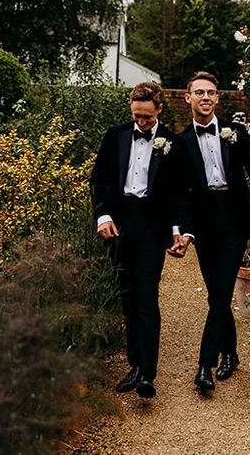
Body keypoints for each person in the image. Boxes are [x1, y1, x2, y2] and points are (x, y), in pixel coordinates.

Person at [171, 71, 250, 392]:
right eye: (199, 92)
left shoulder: (237, 133)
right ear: (188, 98)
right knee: (217, 296)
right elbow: (180, 195)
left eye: (211, 92)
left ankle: (204, 366)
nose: (205, 98)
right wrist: (180, 230)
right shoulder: (181, 143)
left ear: (217, 98)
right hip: (204, 225)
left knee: (219, 294)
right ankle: (231, 354)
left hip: (235, 220)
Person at [90, 81, 190, 399]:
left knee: (146, 297)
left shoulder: (173, 143)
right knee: (127, 297)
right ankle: (134, 365)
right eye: (137, 116)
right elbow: (99, 181)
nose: (141, 123)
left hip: (151, 226)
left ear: (159, 109)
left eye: (147, 117)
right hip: (120, 225)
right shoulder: (116, 135)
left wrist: (178, 230)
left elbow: (180, 193)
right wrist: (102, 216)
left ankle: (147, 373)